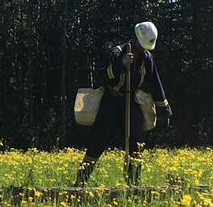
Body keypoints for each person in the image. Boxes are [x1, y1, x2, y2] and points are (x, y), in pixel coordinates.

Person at [73, 21, 172, 187]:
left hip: (131, 102)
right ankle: (80, 183)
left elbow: (155, 83)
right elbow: (102, 75)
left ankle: (134, 185)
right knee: (98, 141)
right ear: (133, 38)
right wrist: (121, 64)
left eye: (144, 47)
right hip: (111, 102)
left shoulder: (147, 58)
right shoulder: (116, 53)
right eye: (140, 45)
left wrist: (164, 109)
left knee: (137, 143)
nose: (142, 49)